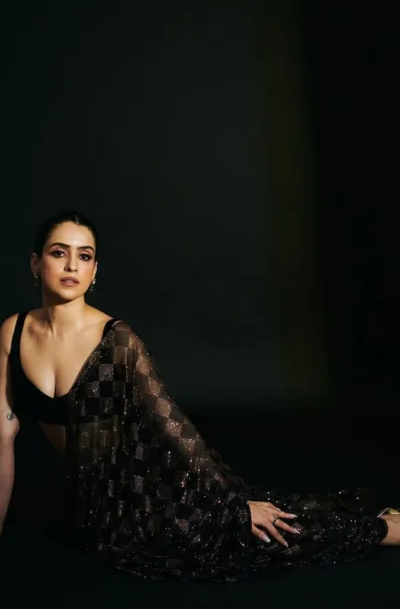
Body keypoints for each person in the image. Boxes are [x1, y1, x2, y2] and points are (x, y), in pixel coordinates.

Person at [0, 210, 398, 581]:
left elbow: (171, 427)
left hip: (145, 487)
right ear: (36, 263)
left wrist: (230, 502)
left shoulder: (117, 340)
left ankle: (381, 529)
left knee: (251, 533)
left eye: (84, 256)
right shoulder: (13, 333)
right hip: (86, 508)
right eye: (59, 253)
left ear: (94, 271)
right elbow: (3, 437)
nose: (72, 265)